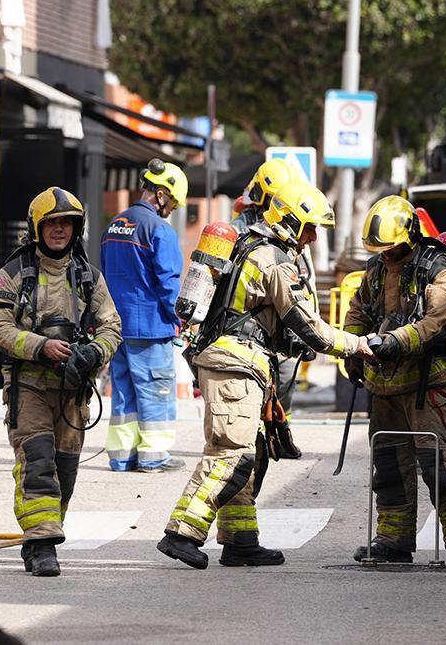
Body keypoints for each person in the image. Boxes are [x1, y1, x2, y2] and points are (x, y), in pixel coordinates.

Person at [157, 181, 374, 569]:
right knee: (231, 455)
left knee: (248, 453)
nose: (312, 237)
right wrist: (355, 345)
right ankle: (182, 533)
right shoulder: (274, 261)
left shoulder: (251, 247)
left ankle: (240, 540)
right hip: (236, 366)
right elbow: (307, 324)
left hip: (235, 363)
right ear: (290, 221)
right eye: (310, 227)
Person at [0, 187, 122, 577]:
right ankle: (44, 545)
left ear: (77, 228)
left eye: (67, 223)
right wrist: (40, 346)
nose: (59, 229)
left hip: (73, 390)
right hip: (28, 383)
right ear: (37, 228)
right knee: (38, 461)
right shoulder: (16, 272)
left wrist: (93, 353)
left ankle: (39, 536)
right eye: (52, 223)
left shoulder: (88, 276)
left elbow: (112, 326)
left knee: (65, 469)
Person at [343, 196, 446, 566]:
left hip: (427, 384)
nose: (386, 256)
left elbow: (436, 321)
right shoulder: (376, 270)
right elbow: (358, 310)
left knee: (440, 464)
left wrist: (397, 341)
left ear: (409, 239)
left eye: (391, 249)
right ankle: (393, 539)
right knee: (389, 467)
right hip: (383, 386)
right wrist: (352, 349)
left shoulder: (439, 271)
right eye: (380, 250)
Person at [100, 159, 188, 473]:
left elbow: (105, 275)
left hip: (116, 328)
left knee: (123, 394)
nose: (172, 210)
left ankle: (122, 457)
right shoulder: (159, 231)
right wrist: (180, 319)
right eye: (173, 202)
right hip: (151, 327)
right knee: (156, 391)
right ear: (161, 194)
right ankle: (154, 456)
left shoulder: (113, 226)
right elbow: (169, 284)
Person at [232, 158, 311, 458]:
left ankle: (280, 430)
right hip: (250, 321)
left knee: (286, 376)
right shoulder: (241, 230)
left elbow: (303, 278)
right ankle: (253, 438)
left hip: (284, 317)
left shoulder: (288, 232)